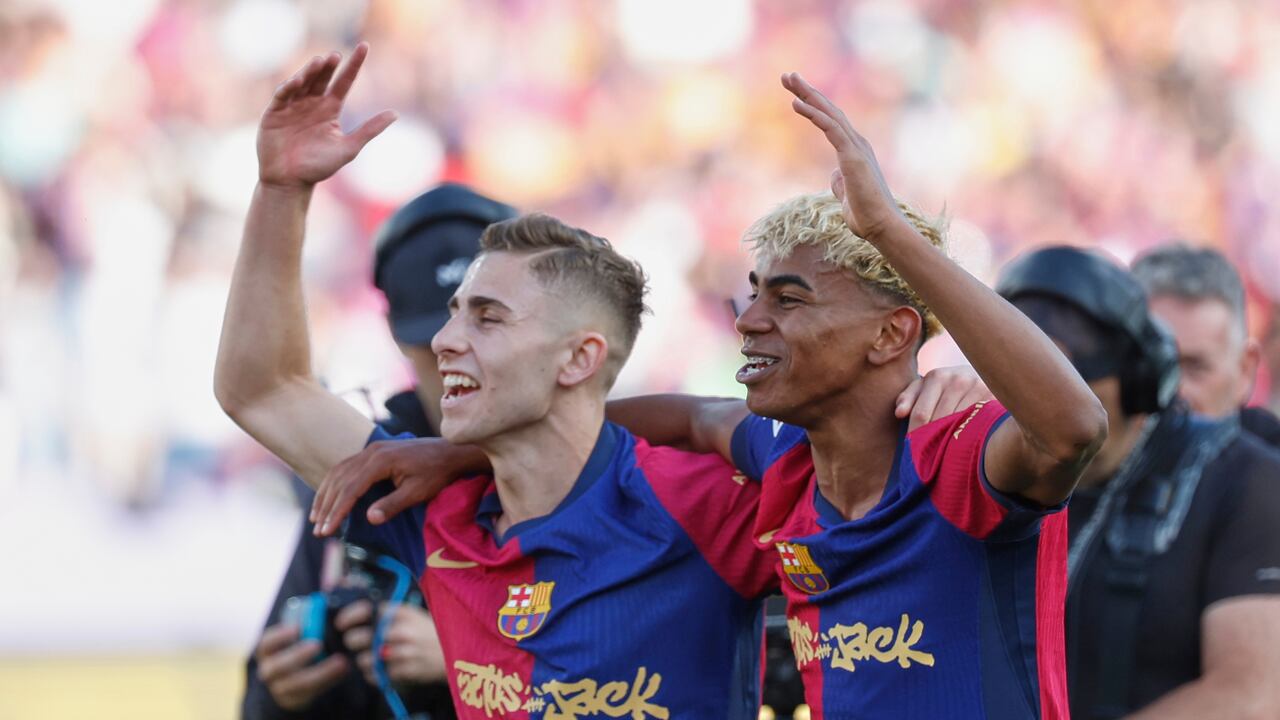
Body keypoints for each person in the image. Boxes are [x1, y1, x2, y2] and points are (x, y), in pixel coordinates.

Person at [312, 73, 1107, 719]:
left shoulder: (955, 452)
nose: (749, 321)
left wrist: (891, 233)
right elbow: (690, 417)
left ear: (891, 337)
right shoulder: (784, 456)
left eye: (788, 300)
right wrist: (460, 451)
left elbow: (1073, 428)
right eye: (752, 293)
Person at [216, 43, 797, 719]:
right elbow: (264, 389)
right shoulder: (434, 508)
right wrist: (282, 193)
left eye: (487, 318)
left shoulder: (701, 503)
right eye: (453, 314)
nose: (444, 341)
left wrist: (949, 392)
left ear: (578, 359)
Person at [241, 183, 513, 720]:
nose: (456, 355)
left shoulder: (583, 468)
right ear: (395, 334)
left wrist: (467, 660)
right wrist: (282, 694)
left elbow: (632, 681)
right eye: (434, 336)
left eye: (486, 328)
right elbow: (259, 392)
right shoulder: (364, 475)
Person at [996, 245, 1280, 720]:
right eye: (1165, 359)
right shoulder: (1010, 461)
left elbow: (1253, 698)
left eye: (1195, 366)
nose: (1176, 391)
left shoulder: (1251, 480)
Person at [1131, 243, 1280, 447]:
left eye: (1195, 367)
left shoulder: (1268, 473)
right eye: (1157, 364)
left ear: (1245, 370)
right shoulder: (1082, 464)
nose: (1174, 392)